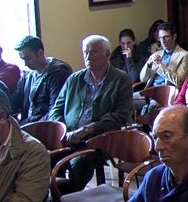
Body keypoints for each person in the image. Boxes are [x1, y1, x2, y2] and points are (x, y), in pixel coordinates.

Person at [49, 34, 132, 192]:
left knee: (80, 164)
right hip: (67, 137)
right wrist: (64, 131)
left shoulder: (121, 80)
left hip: (98, 140)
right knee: (44, 160)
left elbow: (120, 116)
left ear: (107, 55)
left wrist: (87, 130)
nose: (88, 57)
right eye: (85, 53)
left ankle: (66, 201)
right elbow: (56, 109)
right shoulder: (74, 79)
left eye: (93, 52)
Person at [12, 35, 72, 125]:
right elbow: (14, 104)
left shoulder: (58, 73)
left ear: (40, 53)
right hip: (28, 126)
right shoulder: (27, 75)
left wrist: (28, 126)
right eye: (23, 59)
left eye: (28, 58)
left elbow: (55, 111)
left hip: (47, 128)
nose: (25, 64)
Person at [139, 22, 188, 88]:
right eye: (160, 38)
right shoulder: (157, 54)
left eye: (166, 37)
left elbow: (179, 81)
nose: (162, 41)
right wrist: (148, 65)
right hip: (151, 90)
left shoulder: (185, 55)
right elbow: (143, 79)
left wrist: (160, 65)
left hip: (167, 93)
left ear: (174, 37)